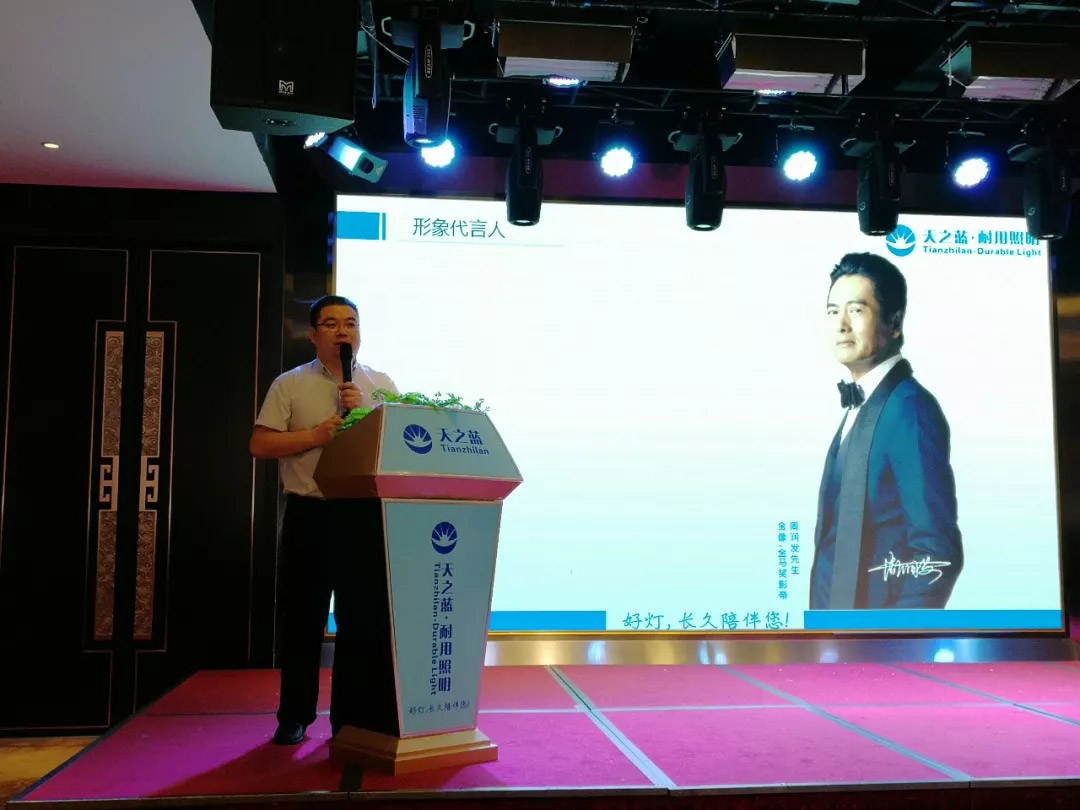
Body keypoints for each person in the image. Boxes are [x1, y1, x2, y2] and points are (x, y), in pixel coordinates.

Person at [250, 294, 397, 745]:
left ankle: (350, 719)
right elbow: (260, 444)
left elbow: (395, 447)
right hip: (309, 514)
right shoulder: (290, 384)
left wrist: (366, 414)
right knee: (303, 619)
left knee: (360, 620)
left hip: (361, 515)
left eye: (350, 323)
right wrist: (315, 434)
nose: (342, 331)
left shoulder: (380, 384)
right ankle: (294, 715)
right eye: (331, 324)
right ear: (313, 335)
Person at [809, 253, 963, 610]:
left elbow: (937, 553)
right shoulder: (861, 405)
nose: (841, 324)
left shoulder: (910, 408)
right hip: (833, 633)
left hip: (874, 637)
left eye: (856, 310)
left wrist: (894, 634)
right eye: (833, 311)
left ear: (894, 323)